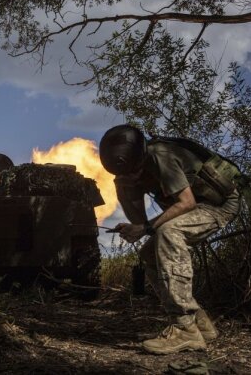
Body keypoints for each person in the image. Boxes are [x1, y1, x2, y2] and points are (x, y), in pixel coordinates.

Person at [99, 124, 242, 355]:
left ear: (140, 157)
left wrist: (145, 227)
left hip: (219, 205)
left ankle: (184, 328)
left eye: (132, 172)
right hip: (195, 207)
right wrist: (127, 193)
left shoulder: (161, 156)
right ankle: (200, 325)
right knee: (148, 252)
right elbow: (140, 222)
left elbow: (187, 203)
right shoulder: (128, 175)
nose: (130, 176)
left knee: (169, 232)